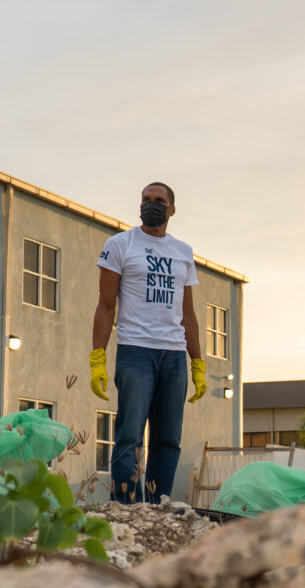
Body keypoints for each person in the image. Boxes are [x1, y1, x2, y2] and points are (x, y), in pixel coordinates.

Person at [89, 182, 207, 503]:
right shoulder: (120, 245)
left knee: (168, 439)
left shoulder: (183, 252)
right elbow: (106, 305)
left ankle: (158, 506)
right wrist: (97, 358)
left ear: (171, 209)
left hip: (173, 356)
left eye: (159, 201)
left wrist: (197, 363)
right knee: (130, 436)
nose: (151, 205)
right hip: (135, 351)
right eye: (146, 199)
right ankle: (128, 506)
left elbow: (189, 313)